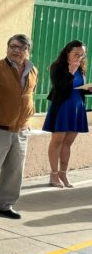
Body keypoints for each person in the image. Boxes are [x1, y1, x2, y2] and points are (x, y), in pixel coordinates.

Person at [0, 34, 38, 221]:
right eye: (12, 46)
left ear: (28, 50)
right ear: (7, 48)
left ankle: (6, 205)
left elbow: (29, 95)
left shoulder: (33, 71)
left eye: (20, 47)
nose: (15, 51)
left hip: (21, 129)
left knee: (15, 169)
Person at [43, 40, 90, 188]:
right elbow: (60, 88)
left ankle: (63, 173)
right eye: (76, 54)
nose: (79, 58)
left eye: (82, 55)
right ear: (68, 52)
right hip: (63, 107)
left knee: (68, 144)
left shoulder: (81, 68)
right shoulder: (57, 67)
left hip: (77, 107)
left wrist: (87, 89)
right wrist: (70, 72)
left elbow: (76, 88)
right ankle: (54, 175)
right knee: (57, 142)